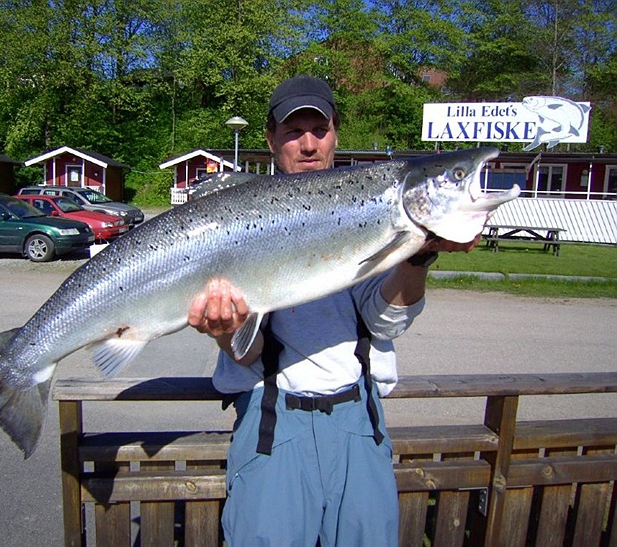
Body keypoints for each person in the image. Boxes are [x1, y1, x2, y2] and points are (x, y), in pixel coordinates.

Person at [188, 76, 478, 546]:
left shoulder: (370, 210)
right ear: (270, 139)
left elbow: (385, 321)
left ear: (335, 135)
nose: (308, 145)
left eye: (319, 131)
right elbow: (247, 354)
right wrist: (226, 330)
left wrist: (419, 256)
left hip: (358, 420)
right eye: (293, 132)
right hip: (271, 421)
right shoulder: (244, 214)